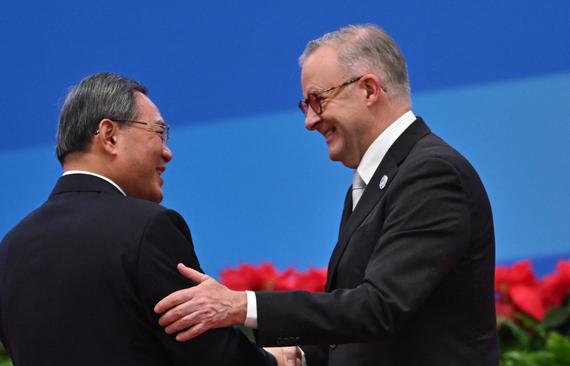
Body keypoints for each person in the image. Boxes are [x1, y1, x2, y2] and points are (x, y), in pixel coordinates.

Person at [154, 24, 499, 366]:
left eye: (318, 100)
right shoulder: (372, 182)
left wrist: (242, 306)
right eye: (304, 104)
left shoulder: (432, 174)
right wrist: (301, 355)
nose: (309, 121)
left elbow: (379, 308)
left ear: (368, 90)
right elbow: (366, 329)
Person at [0, 72, 297, 366]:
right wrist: (273, 362)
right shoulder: (149, 228)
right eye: (158, 133)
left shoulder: (11, 248)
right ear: (109, 136)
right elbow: (204, 350)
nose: (168, 153)